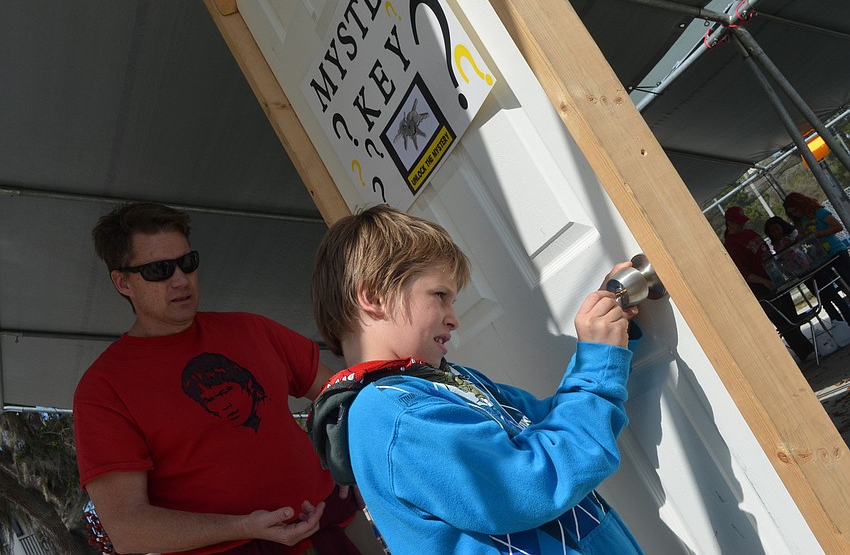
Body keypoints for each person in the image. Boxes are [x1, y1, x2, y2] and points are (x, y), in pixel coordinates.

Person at [307, 205, 644, 555]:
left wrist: (609, 342)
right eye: (440, 296)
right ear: (374, 297)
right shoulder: (392, 415)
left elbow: (553, 424)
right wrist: (597, 361)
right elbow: (532, 484)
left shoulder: (452, 381)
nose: (454, 319)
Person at [73, 202, 362, 555]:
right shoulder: (103, 388)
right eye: (159, 270)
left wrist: (346, 456)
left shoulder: (250, 328)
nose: (180, 280)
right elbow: (129, 528)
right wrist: (242, 526)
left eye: (187, 263)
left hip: (332, 524)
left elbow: (343, 395)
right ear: (122, 282)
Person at [723, 206, 814, 362]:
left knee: (791, 315)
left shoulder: (750, 233)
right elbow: (743, 272)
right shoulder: (731, 245)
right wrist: (764, 282)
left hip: (774, 276)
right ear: (730, 223)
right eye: (738, 222)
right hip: (762, 287)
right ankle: (804, 352)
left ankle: (807, 347)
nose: (742, 225)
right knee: (783, 320)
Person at [764, 214, 850, 323]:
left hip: (815, 268)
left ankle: (847, 317)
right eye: (772, 231)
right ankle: (836, 322)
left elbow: (805, 245)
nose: (776, 233)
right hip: (802, 274)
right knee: (823, 300)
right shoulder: (777, 245)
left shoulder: (794, 234)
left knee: (833, 294)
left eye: (777, 228)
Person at [784, 191, 850, 291]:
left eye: (795, 210)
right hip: (822, 258)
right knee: (842, 285)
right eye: (792, 213)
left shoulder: (819, 212)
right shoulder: (800, 222)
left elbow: (838, 227)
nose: (795, 214)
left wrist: (818, 234)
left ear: (801, 205)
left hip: (836, 250)